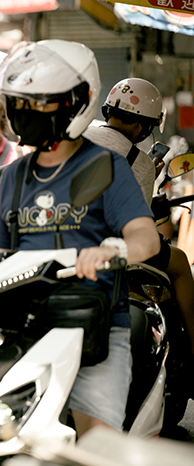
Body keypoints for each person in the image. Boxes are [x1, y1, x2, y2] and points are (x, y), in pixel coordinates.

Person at [0, 40, 160, 437]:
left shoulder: (108, 166)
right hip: (25, 327)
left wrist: (111, 249)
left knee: (98, 448)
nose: (26, 113)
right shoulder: (14, 176)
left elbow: (146, 238)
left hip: (94, 329)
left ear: (76, 103)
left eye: (39, 103)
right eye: (21, 103)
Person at [85, 78, 194, 355]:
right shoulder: (140, 161)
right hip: (112, 246)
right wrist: (149, 174)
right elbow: (139, 222)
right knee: (181, 263)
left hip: (68, 233)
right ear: (141, 125)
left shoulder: (80, 135)